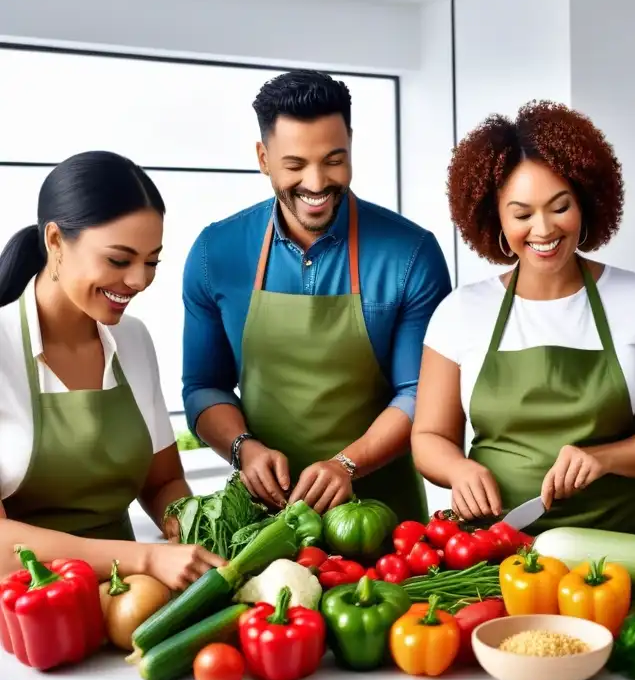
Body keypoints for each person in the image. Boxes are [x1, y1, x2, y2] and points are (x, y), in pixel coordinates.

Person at [412, 101, 635, 538]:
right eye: (522, 214)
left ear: (585, 204)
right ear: (496, 221)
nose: (543, 229)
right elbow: (429, 435)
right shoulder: (460, 312)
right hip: (498, 542)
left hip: (625, 539)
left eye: (559, 207)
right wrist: (458, 470)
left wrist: (606, 458)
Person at [182, 70, 451, 520]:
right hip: (262, 519)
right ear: (264, 158)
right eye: (294, 165)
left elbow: (418, 392)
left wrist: (349, 463)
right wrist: (243, 449)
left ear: (351, 145)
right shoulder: (216, 253)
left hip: (383, 515)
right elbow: (204, 385)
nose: (316, 182)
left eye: (333, 159)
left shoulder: (411, 254)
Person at [0, 151, 224, 588]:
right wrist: (143, 559)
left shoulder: (133, 340)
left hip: (127, 601)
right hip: (30, 609)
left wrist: (200, 532)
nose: (139, 280)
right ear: (55, 242)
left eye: (152, 261)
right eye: (119, 260)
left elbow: (163, 483)